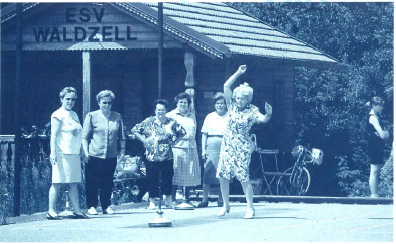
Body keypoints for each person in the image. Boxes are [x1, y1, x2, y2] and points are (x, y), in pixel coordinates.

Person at [216, 65, 272, 219]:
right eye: (237, 97)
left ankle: (250, 208)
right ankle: (226, 204)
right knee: (223, 175)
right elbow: (226, 86)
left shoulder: (252, 110)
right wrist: (238, 73)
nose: (239, 100)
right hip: (227, 143)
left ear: (248, 99)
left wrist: (268, 114)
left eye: (242, 98)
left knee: (243, 176)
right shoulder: (231, 106)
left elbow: (263, 119)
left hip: (242, 144)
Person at [131, 99, 186, 209]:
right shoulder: (148, 121)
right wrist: (144, 140)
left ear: (166, 110)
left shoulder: (171, 122)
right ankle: (152, 201)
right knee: (152, 178)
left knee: (167, 177)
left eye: (162, 110)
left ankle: (168, 200)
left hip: (167, 156)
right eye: (158, 110)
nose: (160, 112)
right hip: (152, 156)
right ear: (155, 111)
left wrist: (174, 142)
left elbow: (182, 132)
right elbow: (134, 130)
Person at [48, 87, 89, 220]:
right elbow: (53, 135)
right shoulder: (57, 114)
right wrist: (52, 152)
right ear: (61, 99)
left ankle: (77, 210)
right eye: (67, 99)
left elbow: (79, 135)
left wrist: (82, 151)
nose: (70, 102)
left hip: (73, 154)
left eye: (73, 99)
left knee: (73, 183)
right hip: (61, 153)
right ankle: (51, 211)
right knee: (57, 183)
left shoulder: (74, 115)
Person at [82, 90, 126, 215]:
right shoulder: (92, 116)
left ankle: (106, 205)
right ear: (99, 103)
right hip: (94, 154)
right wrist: (85, 152)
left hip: (111, 155)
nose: (106, 105)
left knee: (107, 181)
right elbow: (85, 137)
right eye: (104, 102)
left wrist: (122, 151)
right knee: (92, 182)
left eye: (109, 103)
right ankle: (91, 206)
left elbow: (122, 136)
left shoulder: (117, 116)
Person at [166, 93, 201, 206]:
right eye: (180, 102)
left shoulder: (192, 115)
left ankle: (187, 199)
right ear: (176, 103)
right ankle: (172, 199)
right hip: (177, 147)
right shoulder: (170, 115)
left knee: (189, 173)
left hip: (191, 146)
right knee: (176, 172)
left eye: (185, 102)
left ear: (188, 104)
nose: (183, 104)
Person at [197, 92, 229, 208]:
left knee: (223, 173)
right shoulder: (209, 117)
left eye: (222, 103)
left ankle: (221, 199)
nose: (220, 105)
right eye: (217, 103)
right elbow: (204, 134)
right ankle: (205, 199)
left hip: (225, 146)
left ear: (226, 105)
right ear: (214, 105)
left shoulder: (229, 116)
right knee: (208, 173)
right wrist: (203, 150)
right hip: (212, 146)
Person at [366, 96, 389, 198]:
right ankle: (374, 194)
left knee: (376, 170)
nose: (382, 108)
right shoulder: (373, 118)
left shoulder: (376, 117)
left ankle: (375, 193)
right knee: (374, 171)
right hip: (374, 146)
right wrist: (385, 133)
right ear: (374, 106)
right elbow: (382, 135)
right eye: (380, 106)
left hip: (377, 146)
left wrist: (385, 133)